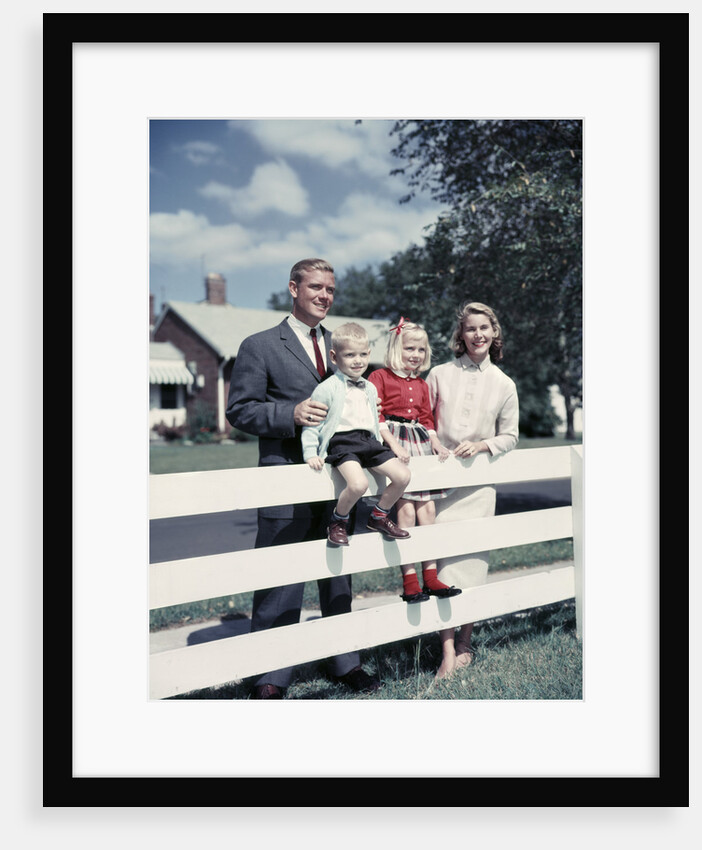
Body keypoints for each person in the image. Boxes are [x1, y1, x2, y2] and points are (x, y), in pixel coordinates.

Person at [226, 259, 381, 699]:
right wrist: (289, 414)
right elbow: (239, 410)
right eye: (315, 287)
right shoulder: (259, 345)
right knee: (280, 575)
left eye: (330, 289)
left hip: (339, 480)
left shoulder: (344, 345)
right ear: (293, 288)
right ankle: (271, 675)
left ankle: (344, 662)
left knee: (338, 573)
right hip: (285, 478)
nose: (324, 295)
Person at [426, 301, 519, 679]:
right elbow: (421, 419)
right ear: (460, 335)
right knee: (442, 565)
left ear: (494, 333)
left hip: (479, 486)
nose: (478, 334)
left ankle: (464, 642)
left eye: (485, 327)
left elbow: (510, 436)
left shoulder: (504, 383)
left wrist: (482, 445)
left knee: (472, 565)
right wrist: (432, 441)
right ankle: (446, 649)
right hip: (438, 484)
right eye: (470, 328)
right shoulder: (438, 374)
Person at [367, 318, 461, 604]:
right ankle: (410, 581)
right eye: (409, 348)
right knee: (406, 513)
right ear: (396, 347)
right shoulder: (380, 377)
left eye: (421, 350)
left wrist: (434, 442)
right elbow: (375, 415)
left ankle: (430, 576)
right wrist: (392, 444)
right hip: (395, 443)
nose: (415, 355)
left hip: (419, 445)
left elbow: (425, 418)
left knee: (428, 512)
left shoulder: (421, 384)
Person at [302, 322, 412, 552]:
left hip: (368, 442)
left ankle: (379, 516)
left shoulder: (370, 388)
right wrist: (310, 452)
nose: (357, 360)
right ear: (334, 356)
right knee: (358, 484)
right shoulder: (327, 388)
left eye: (362, 354)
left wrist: (382, 444)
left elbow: (374, 420)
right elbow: (313, 423)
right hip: (343, 443)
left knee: (402, 476)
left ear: (369, 354)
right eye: (350, 355)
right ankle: (338, 521)